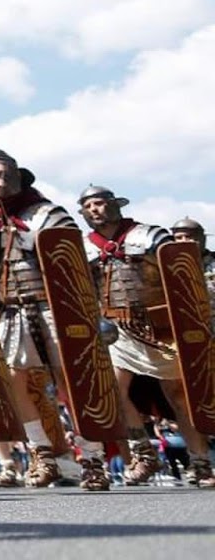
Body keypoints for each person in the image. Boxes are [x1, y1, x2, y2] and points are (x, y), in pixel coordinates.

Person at [0, 150, 92, 490]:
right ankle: (43, 452)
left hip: (52, 306)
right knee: (12, 379)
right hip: (12, 309)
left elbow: (70, 258)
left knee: (70, 380)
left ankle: (92, 456)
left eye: (3, 173)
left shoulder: (47, 214)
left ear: (17, 175)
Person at [79, 185, 215, 488]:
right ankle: (143, 452)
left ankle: (201, 462)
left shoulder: (150, 236)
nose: (94, 210)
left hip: (162, 330)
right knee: (113, 389)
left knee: (178, 396)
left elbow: (180, 275)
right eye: (88, 207)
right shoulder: (84, 247)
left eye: (99, 203)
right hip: (119, 333)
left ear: (115, 205)